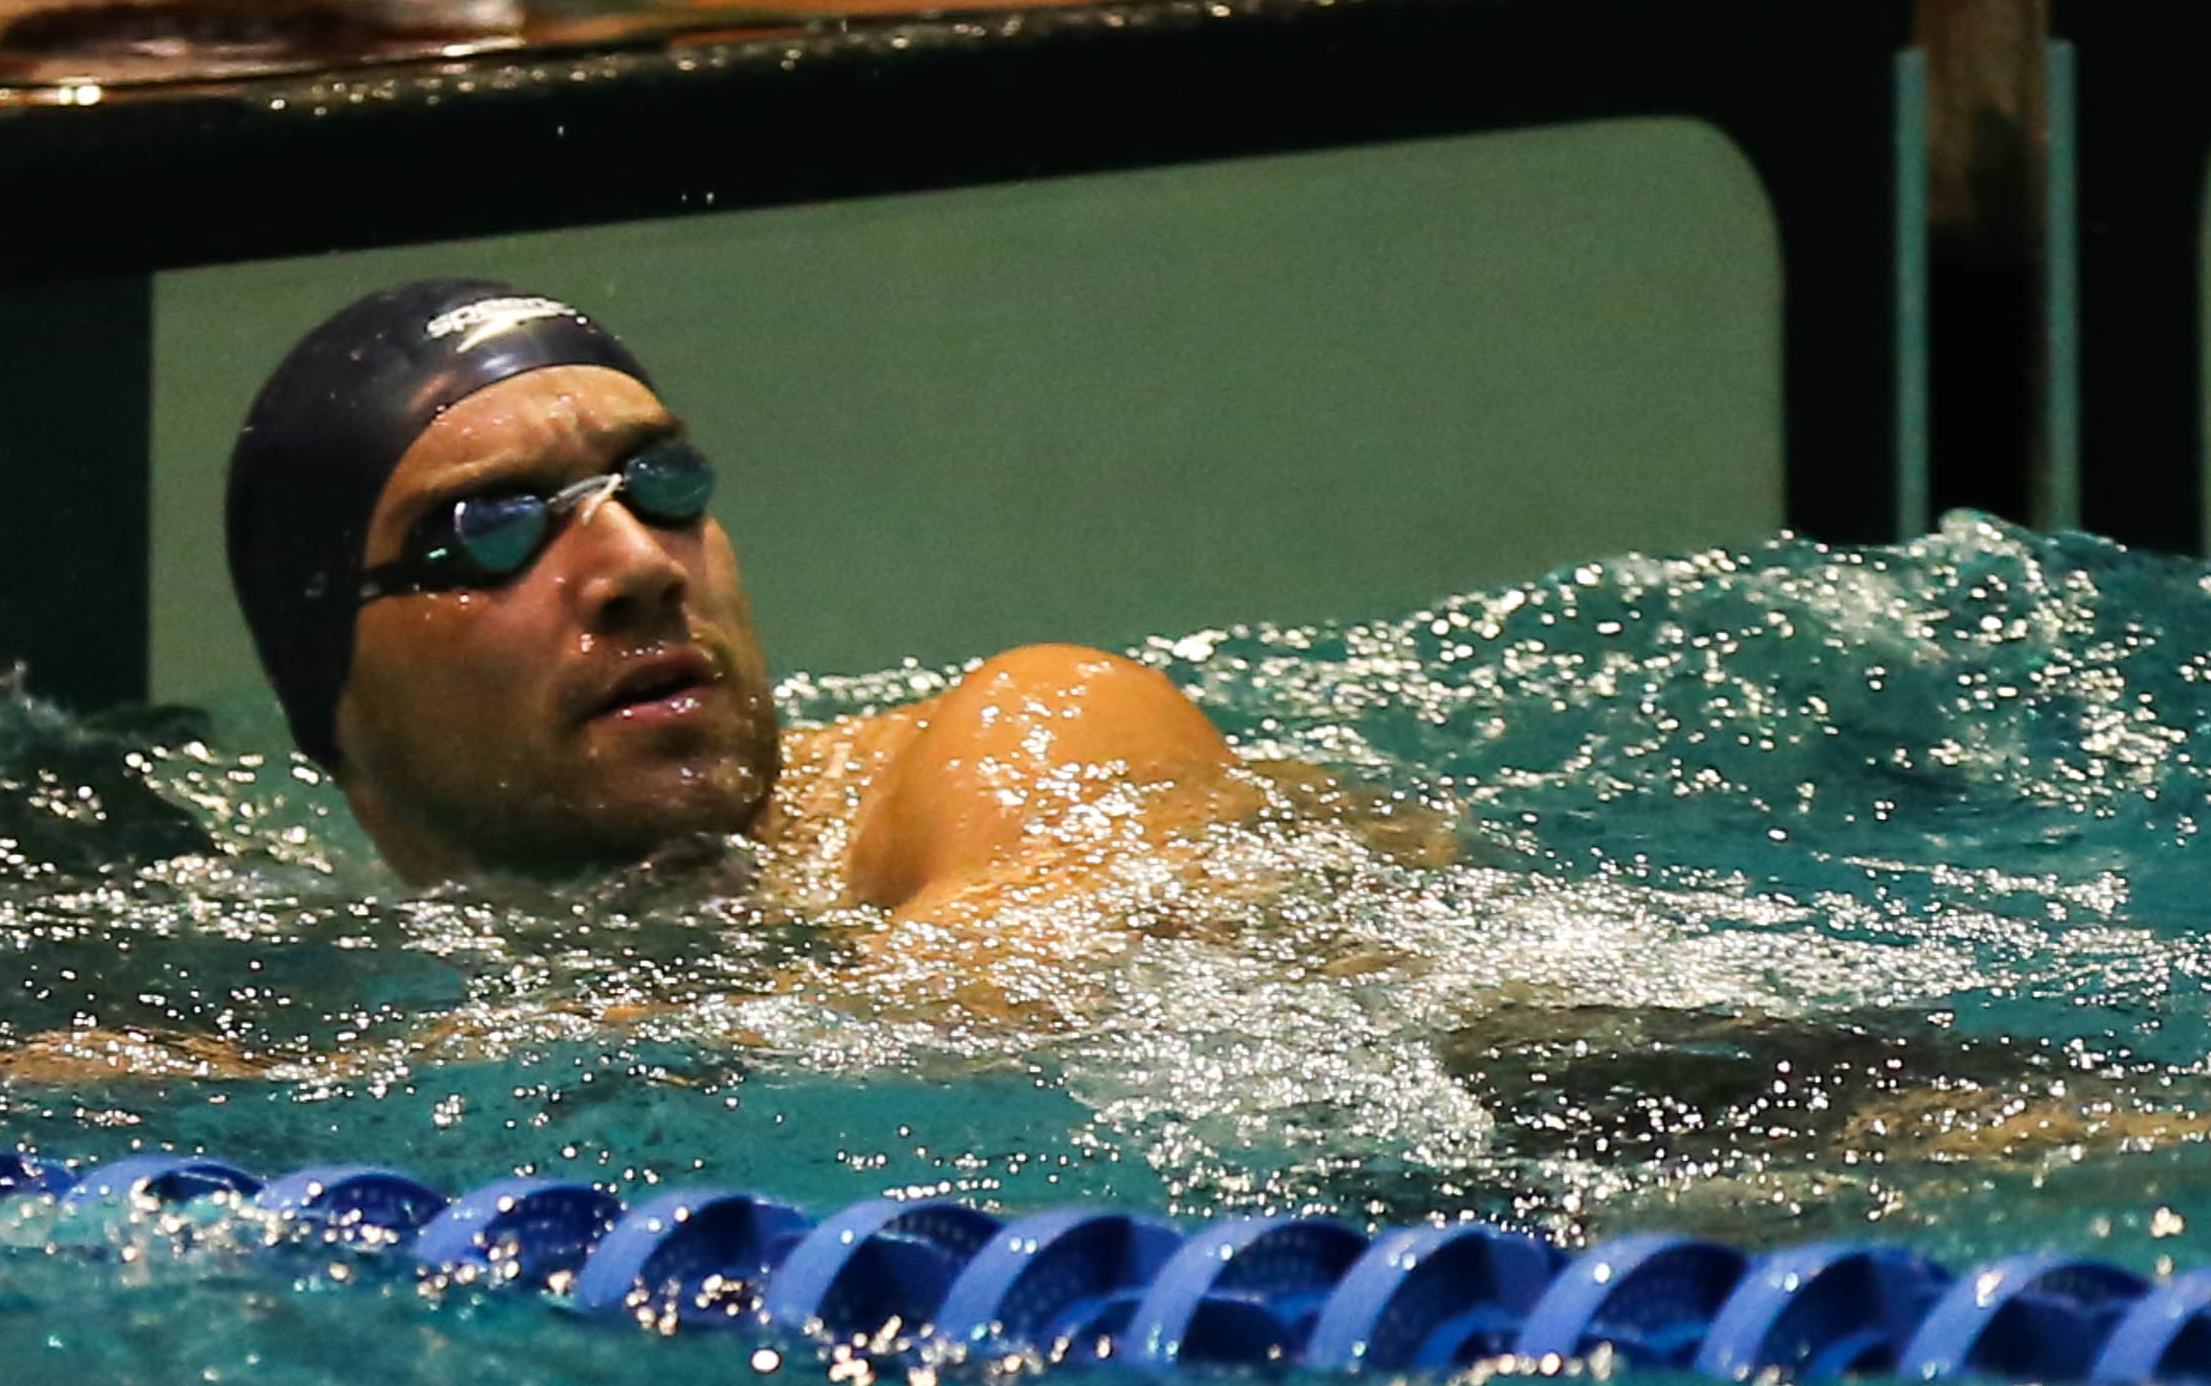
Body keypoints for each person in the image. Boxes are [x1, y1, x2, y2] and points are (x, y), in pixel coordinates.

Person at [226, 279, 1388, 958]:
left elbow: (1039, 985)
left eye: (663, 480)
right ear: (334, 691)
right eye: (494, 525)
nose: (636, 563)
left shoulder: (1032, 731)